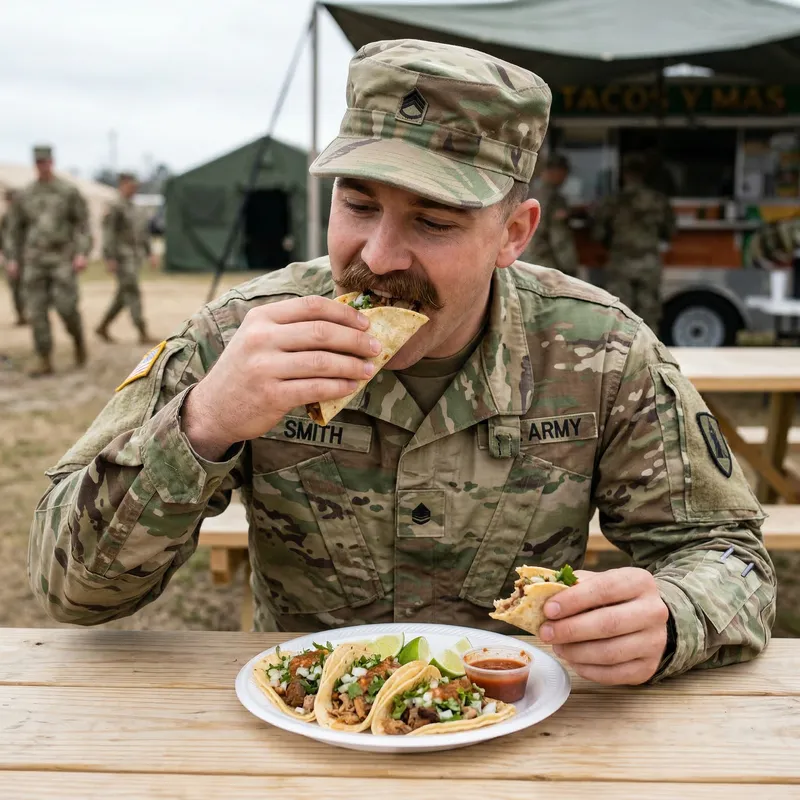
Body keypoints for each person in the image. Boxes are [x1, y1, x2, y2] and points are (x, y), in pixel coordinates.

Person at [29, 40, 774, 686]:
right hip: (306, 726)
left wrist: (674, 616)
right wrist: (204, 424)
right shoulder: (239, 336)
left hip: (520, 724)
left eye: (433, 221)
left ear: (513, 232)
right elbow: (68, 591)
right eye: (357, 205)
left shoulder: (600, 350)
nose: (378, 258)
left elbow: (727, 553)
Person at [3, 145, 91, 376]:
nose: (42, 166)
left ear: (52, 162)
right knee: (37, 310)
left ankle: (78, 341)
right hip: (33, 260)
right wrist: (12, 258)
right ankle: (44, 359)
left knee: (66, 307)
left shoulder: (67, 192)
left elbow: (82, 225)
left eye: (46, 162)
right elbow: (14, 230)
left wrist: (81, 253)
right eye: (38, 162)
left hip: (61, 257)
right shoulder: (26, 194)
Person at [591, 153, 675, 333]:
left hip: (620, 260)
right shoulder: (658, 200)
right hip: (648, 260)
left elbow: (598, 233)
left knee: (620, 312)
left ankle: (622, 354)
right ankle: (649, 352)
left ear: (624, 174)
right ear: (643, 174)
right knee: (649, 311)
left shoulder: (613, 201)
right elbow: (670, 231)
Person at [96, 171, 158, 344]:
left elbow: (143, 233)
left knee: (123, 295)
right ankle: (142, 332)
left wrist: (150, 252)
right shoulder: (115, 207)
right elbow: (108, 234)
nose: (134, 189)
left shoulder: (136, 208)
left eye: (136, 186)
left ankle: (102, 327)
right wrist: (109, 258)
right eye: (131, 186)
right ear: (122, 185)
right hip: (122, 258)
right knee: (133, 292)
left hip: (134, 257)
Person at [523, 153, 580, 277]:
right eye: (564, 172)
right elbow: (559, 237)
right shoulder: (554, 199)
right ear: (555, 171)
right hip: (546, 263)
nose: (565, 178)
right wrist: (570, 269)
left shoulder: (528, 192)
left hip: (525, 259)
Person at [1, 189, 27, 326]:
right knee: (14, 287)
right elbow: (2, 237)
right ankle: (21, 315)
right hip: (10, 257)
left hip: (24, 256)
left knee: (27, 286)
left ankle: (29, 313)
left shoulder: (25, 216)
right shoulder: (6, 218)